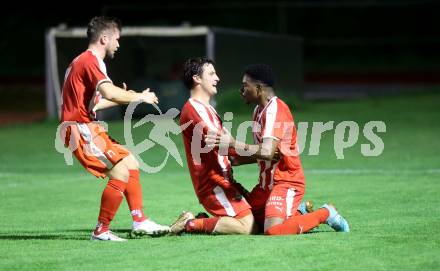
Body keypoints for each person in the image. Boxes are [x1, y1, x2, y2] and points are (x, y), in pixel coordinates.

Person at [59, 16, 170, 241]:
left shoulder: (81, 61)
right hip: (80, 127)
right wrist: (140, 96)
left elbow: (98, 102)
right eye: (116, 39)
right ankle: (101, 231)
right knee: (120, 171)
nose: (118, 44)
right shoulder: (91, 61)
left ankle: (140, 220)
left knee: (130, 162)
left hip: (85, 125)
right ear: (104, 38)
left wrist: (130, 96)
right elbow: (109, 93)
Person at [206, 64, 350, 235]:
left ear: (259, 88)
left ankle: (326, 213)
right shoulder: (258, 111)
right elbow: (267, 154)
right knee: (248, 223)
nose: (241, 91)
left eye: (245, 86)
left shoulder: (276, 109)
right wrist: (235, 158)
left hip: (286, 181)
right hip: (265, 185)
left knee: (273, 231)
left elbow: (266, 151)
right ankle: (299, 213)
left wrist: (232, 143)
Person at [169, 57, 257, 235]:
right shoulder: (194, 109)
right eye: (211, 74)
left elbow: (230, 154)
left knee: (263, 217)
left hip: (225, 181)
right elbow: (223, 145)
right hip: (213, 184)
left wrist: (264, 156)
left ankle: (204, 221)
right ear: (197, 78)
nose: (217, 78)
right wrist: (262, 152)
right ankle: (191, 223)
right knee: (248, 227)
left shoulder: (207, 108)